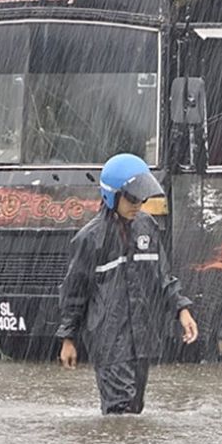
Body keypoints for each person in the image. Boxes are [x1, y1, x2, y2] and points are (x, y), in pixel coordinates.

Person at [56, 153, 198, 414]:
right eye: (132, 198)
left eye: (142, 198)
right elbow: (74, 293)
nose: (138, 204)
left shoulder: (148, 227)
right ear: (112, 196)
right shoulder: (90, 239)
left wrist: (182, 310)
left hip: (142, 338)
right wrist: (68, 338)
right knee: (119, 411)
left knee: (135, 410)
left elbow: (163, 276)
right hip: (109, 341)